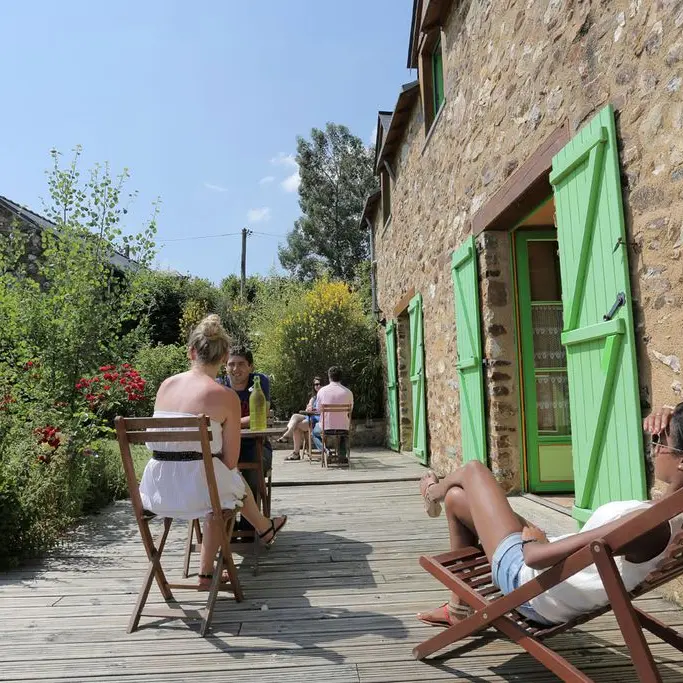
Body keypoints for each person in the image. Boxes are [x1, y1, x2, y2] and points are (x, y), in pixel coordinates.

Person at [416, 403, 683, 627]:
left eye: (661, 440)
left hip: (530, 586)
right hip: (552, 578)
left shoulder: (650, 524)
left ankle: (431, 492)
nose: (654, 446)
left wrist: (533, 543)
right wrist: (672, 412)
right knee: (457, 500)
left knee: (473, 471)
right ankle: (458, 609)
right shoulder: (671, 512)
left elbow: (534, 559)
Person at [138, 315, 287, 588]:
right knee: (225, 486)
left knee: (217, 484)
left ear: (191, 352)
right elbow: (230, 460)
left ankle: (261, 531)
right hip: (199, 493)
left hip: (155, 492)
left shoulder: (165, 386)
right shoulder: (224, 396)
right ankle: (211, 570)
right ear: (225, 356)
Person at [218, 345, 273, 531]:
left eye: (241, 364)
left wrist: (229, 422)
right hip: (224, 447)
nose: (236, 369)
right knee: (217, 471)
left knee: (252, 469)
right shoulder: (219, 385)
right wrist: (239, 422)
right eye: (231, 364)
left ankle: (250, 526)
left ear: (250, 366)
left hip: (256, 445)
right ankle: (227, 526)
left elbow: (262, 414)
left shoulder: (259, 382)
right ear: (225, 367)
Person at [313, 366, 354, 464]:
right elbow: (350, 410)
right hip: (344, 428)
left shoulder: (322, 391)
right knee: (343, 432)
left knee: (314, 432)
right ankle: (342, 455)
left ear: (329, 377)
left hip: (326, 427)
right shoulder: (348, 392)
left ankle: (326, 452)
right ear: (341, 377)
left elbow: (318, 410)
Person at [277, 376, 322, 461]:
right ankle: (288, 433)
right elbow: (308, 409)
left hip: (317, 421)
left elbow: (321, 410)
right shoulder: (314, 398)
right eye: (316, 384)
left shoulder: (324, 396)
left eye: (320, 384)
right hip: (310, 418)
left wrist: (313, 409)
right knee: (295, 416)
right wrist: (309, 407)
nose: (318, 386)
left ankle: (295, 452)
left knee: (297, 427)